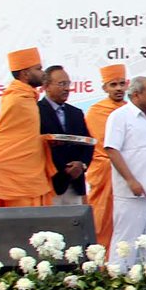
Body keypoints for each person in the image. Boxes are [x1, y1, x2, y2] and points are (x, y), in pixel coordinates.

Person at [0, 47, 55, 208]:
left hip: (28, 171)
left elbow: (24, 137)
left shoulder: (27, 97)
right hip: (13, 174)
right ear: (25, 74)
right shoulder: (16, 99)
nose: (43, 73)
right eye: (38, 69)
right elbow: (6, 138)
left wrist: (44, 140)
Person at [103, 76, 146, 268]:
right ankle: (118, 284)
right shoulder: (120, 116)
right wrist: (131, 181)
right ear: (136, 95)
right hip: (132, 193)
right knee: (126, 243)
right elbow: (112, 150)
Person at [85, 64, 128, 249]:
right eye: (113, 85)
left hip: (127, 171)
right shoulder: (96, 111)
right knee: (101, 218)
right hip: (104, 171)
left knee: (125, 219)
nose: (118, 88)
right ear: (105, 88)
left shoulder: (130, 110)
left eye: (121, 84)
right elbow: (101, 145)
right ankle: (100, 259)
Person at [39, 65, 93, 206]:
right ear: (46, 86)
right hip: (50, 184)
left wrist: (81, 165)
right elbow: (37, 146)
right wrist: (65, 168)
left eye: (68, 84)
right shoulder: (35, 111)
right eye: (62, 84)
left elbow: (88, 143)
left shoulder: (76, 113)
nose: (67, 88)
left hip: (75, 184)